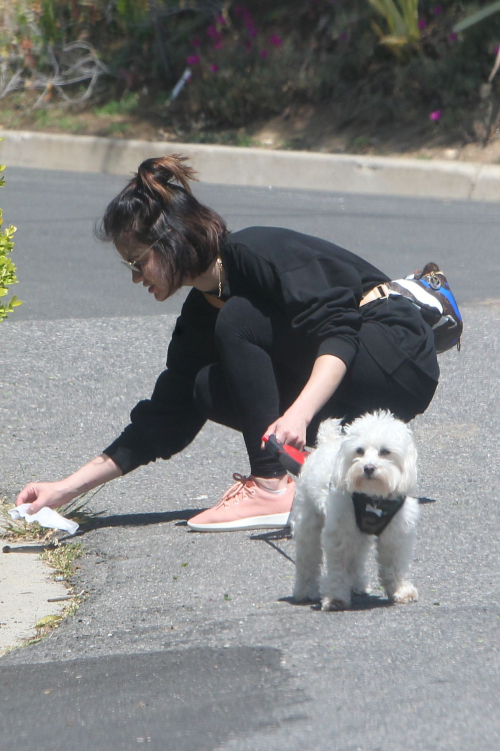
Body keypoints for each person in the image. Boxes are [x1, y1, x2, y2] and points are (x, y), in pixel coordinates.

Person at [15, 154, 439, 532]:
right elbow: (162, 420)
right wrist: (63, 490)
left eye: (137, 262)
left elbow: (339, 329)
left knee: (238, 317)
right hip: (353, 401)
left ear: (170, 242)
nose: (134, 277)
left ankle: (272, 486)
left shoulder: (255, 251)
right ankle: (309, 474)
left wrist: (297, 415)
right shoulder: (202, 310)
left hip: (396, 357)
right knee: (203, 385)